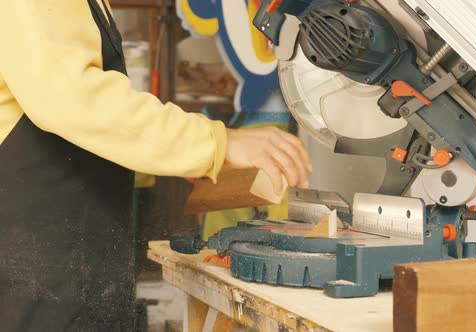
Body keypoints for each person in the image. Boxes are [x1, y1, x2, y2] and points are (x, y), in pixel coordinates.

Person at [0, 1, 311, 331]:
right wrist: (218, 142)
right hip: (43, 269)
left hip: (72, 266)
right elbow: (71, 98)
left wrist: (178, 156)